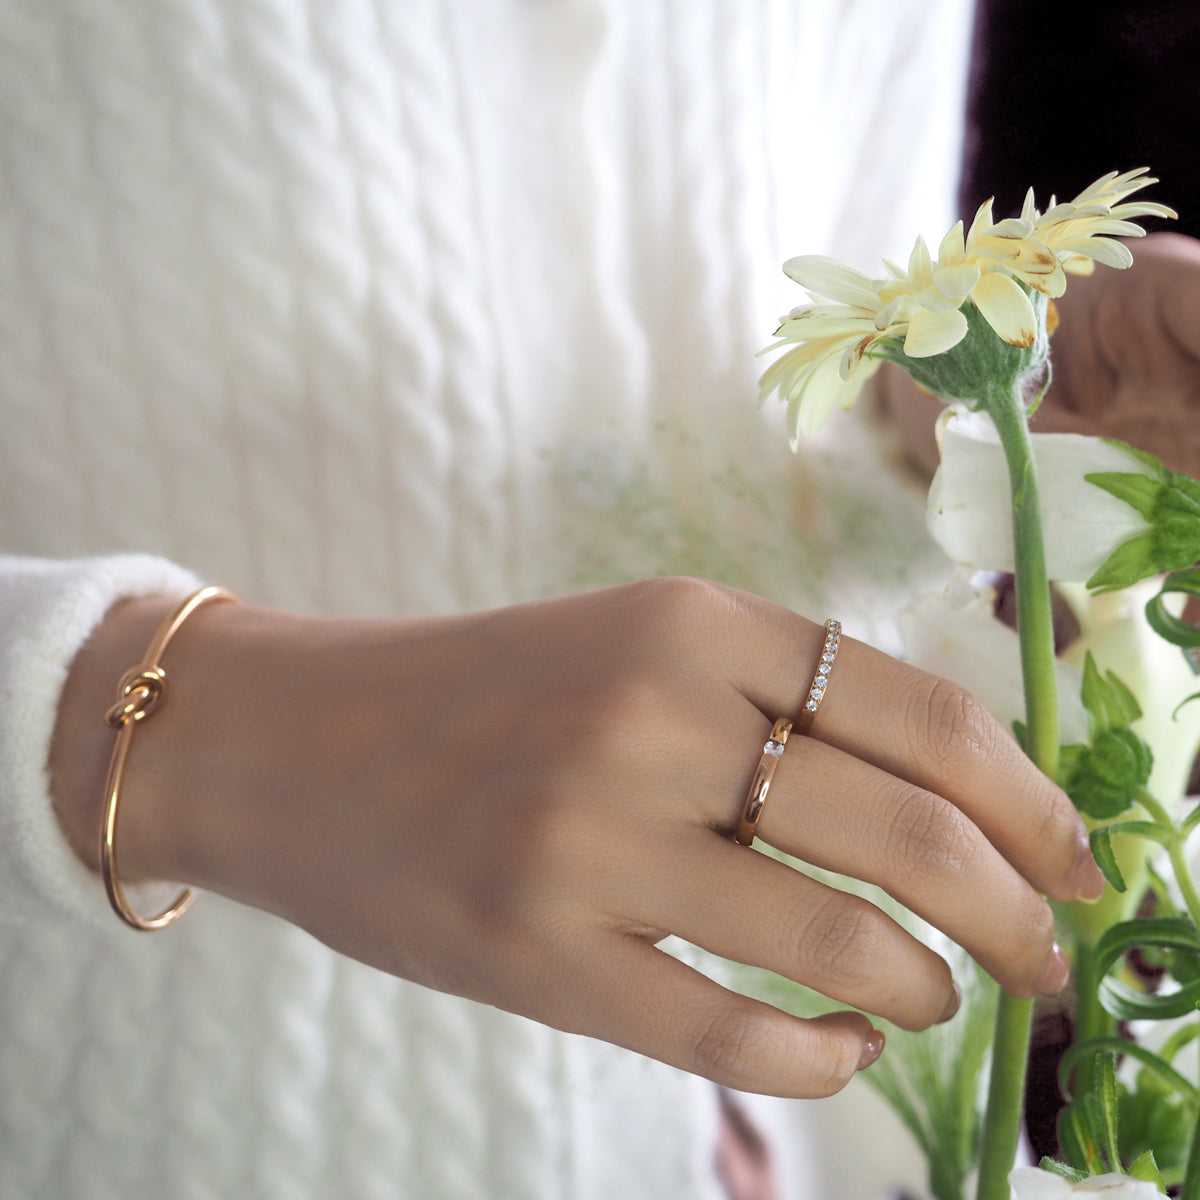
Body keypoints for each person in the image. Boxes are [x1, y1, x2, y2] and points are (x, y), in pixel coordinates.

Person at [0, 3, 1195, 1198]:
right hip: (159, 1119)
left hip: (765, 1139)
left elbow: (794, 334)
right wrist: (196, 732)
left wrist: (976, 405)